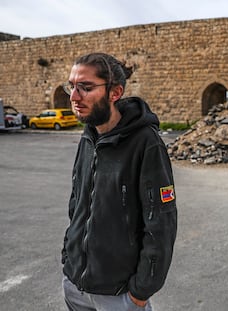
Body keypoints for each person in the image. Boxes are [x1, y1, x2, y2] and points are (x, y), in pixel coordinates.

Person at [61, 52, 177, 311]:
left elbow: (161, 224)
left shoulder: (146, 143)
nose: (74, 97)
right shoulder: (88, 137)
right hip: (74, 287)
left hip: (118, 296)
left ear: (115, 93)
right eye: (71, 86)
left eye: (86, 88)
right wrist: (68, 258)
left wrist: (140, 292)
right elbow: (77, 204)